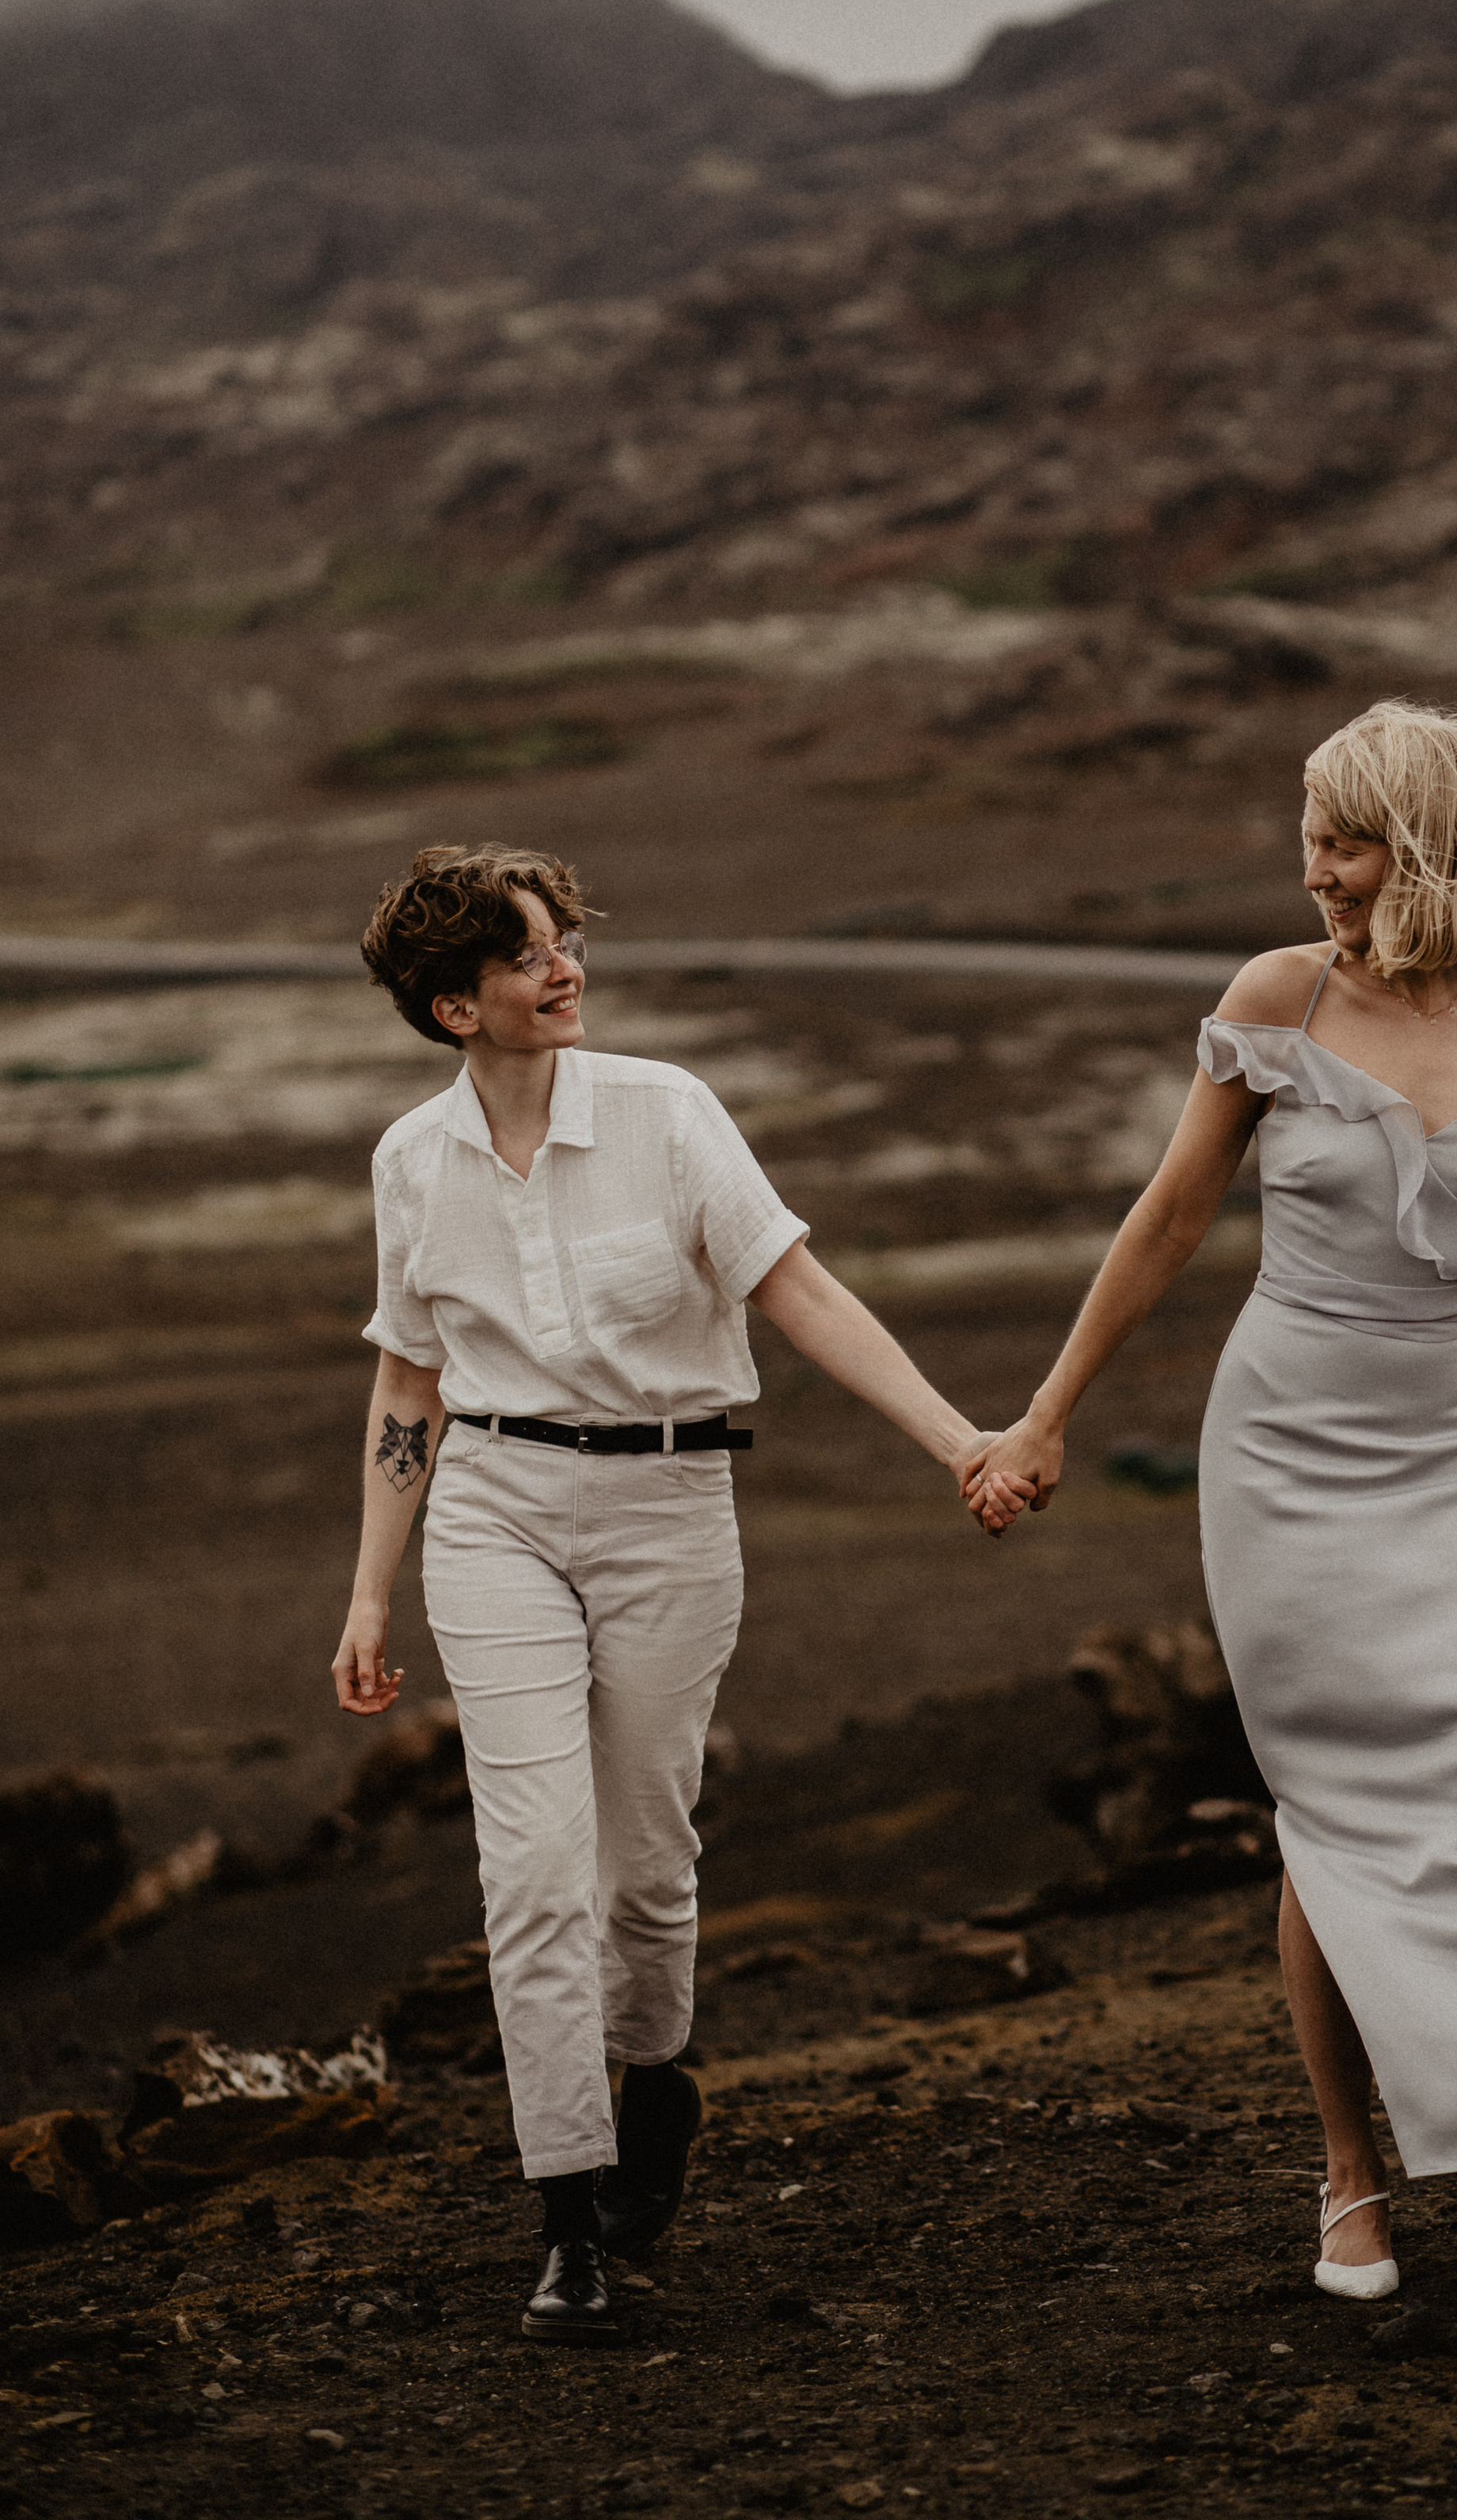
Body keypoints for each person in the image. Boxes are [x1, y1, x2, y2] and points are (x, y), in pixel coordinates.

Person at [965, 700, 1457, 2301]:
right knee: (1332, 1808)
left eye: (1342, 843)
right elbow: (1168, 1216)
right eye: (1309, 842)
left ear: (1423, 847)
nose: (1314, 872)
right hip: (1284, 1453)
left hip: (1456, 1453)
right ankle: (1350, 2175)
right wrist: (1044, 1417)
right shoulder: (1279, 996)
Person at [333, 843, 1020, 2345]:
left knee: (645, 1861)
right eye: (528, 955)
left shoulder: (667, 1113)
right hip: (494, 1512)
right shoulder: (410, 1162)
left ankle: (654, 2078)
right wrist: (371, 1592)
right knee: (532, 1871)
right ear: (455, 1008)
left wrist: (960, 1441)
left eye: (564, 940)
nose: (565, 968)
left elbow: (797, 1289)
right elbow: (409, 1376)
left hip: (668, 1507)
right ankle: (567, 2221)